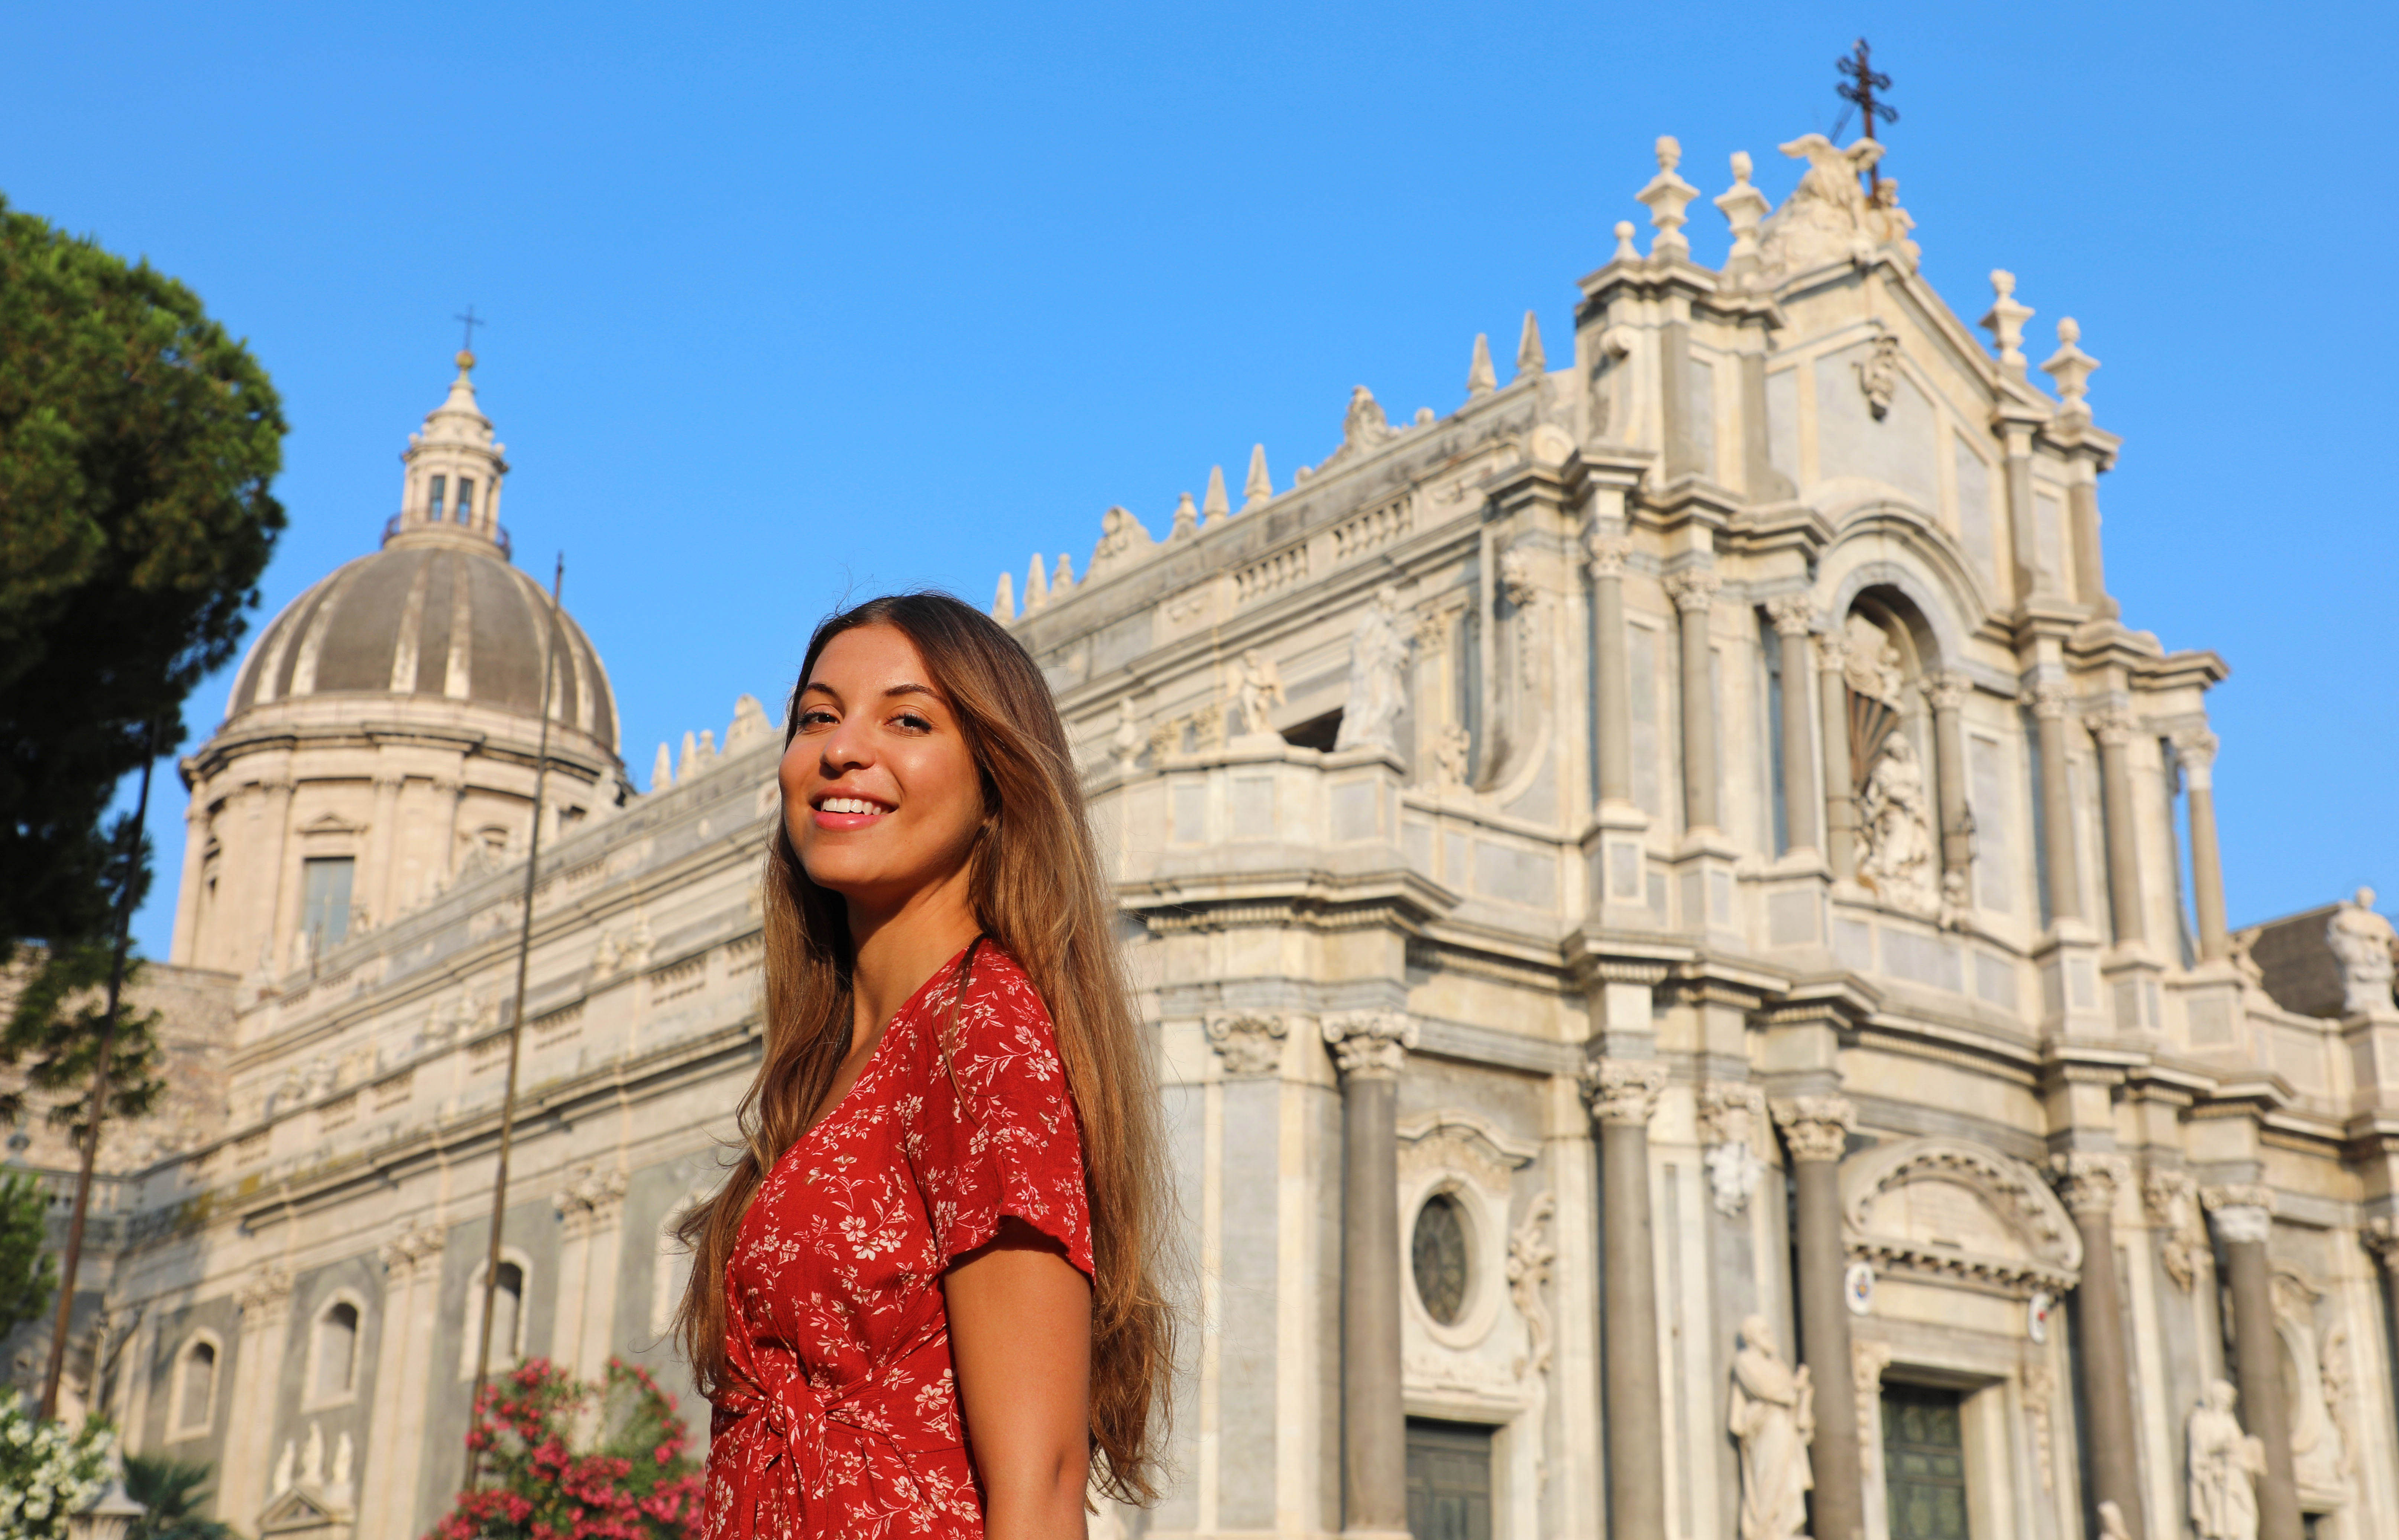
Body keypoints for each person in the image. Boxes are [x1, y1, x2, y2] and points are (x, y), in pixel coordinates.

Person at [675, 593, 1174, 1539]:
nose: (841, 749)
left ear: (997, 783)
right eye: (819, 716)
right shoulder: (828, 1067)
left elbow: (1044, 1477)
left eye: (907, 719)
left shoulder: (979, 1032)